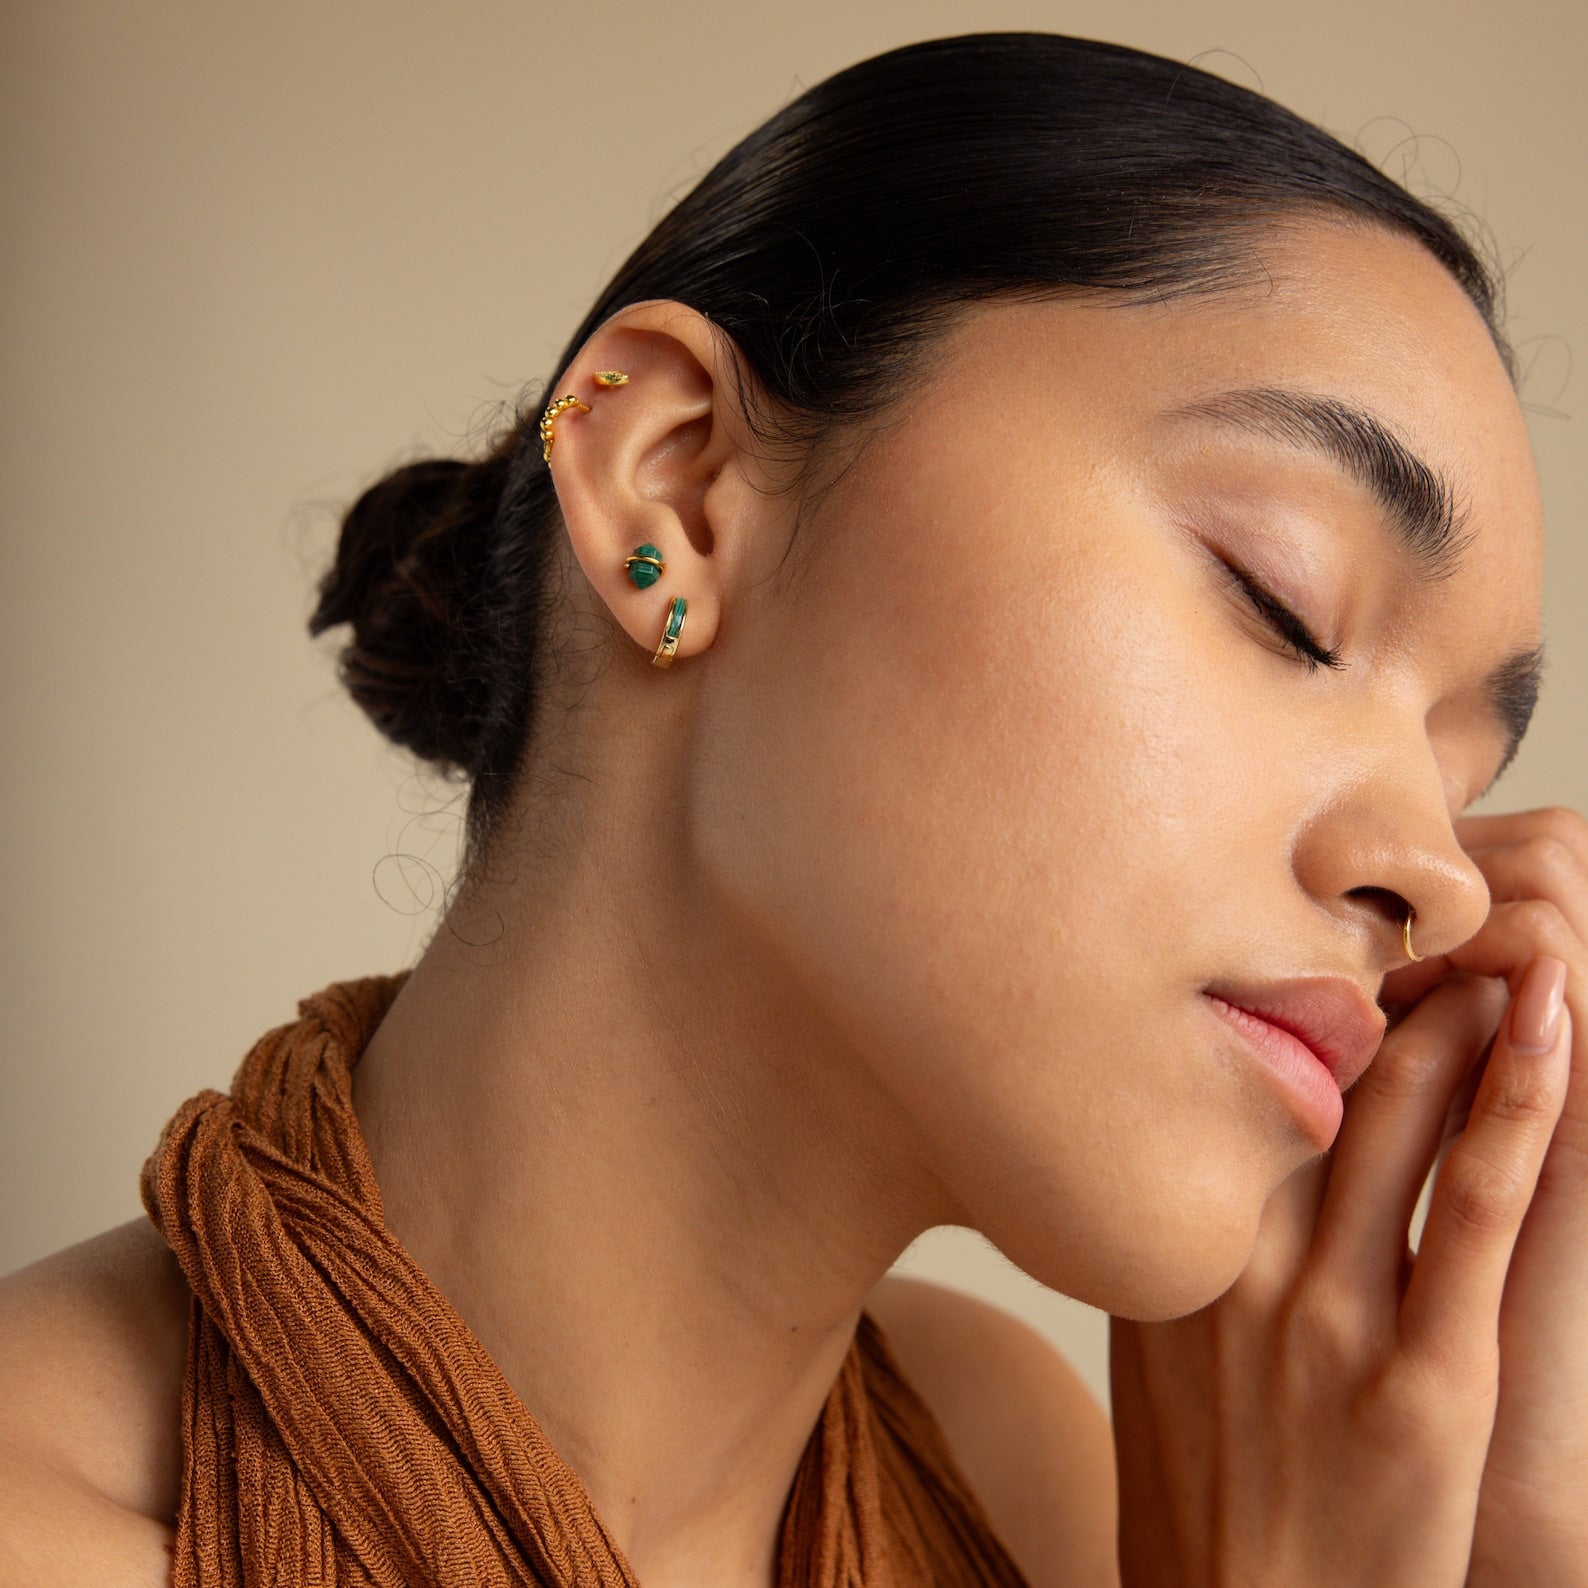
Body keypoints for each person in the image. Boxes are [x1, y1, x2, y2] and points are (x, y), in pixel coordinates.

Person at [1, 28, 1583, 1588]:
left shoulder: (1030, 1477)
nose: (1440, 877)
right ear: (675, 485)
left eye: (1464, 773)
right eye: (1285, 601)